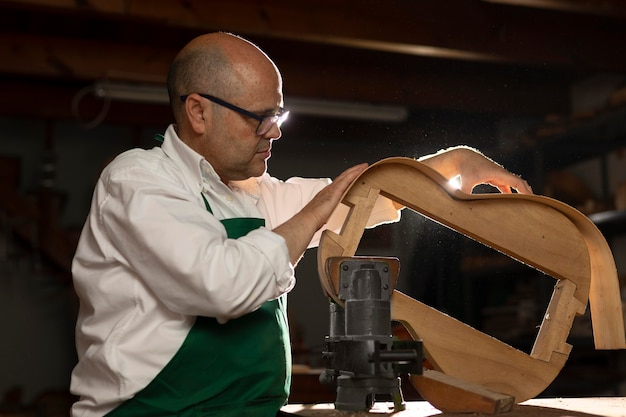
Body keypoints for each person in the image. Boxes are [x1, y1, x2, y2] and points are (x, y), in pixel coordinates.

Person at [69, 32, 532, 417]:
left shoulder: (255, 193)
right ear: (198, 112)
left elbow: (366, 201)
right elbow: (218, 285)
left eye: (278, 114)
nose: (275, 131)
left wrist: (450, 163)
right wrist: (315, 212)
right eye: (260, 117)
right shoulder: (137, 181)